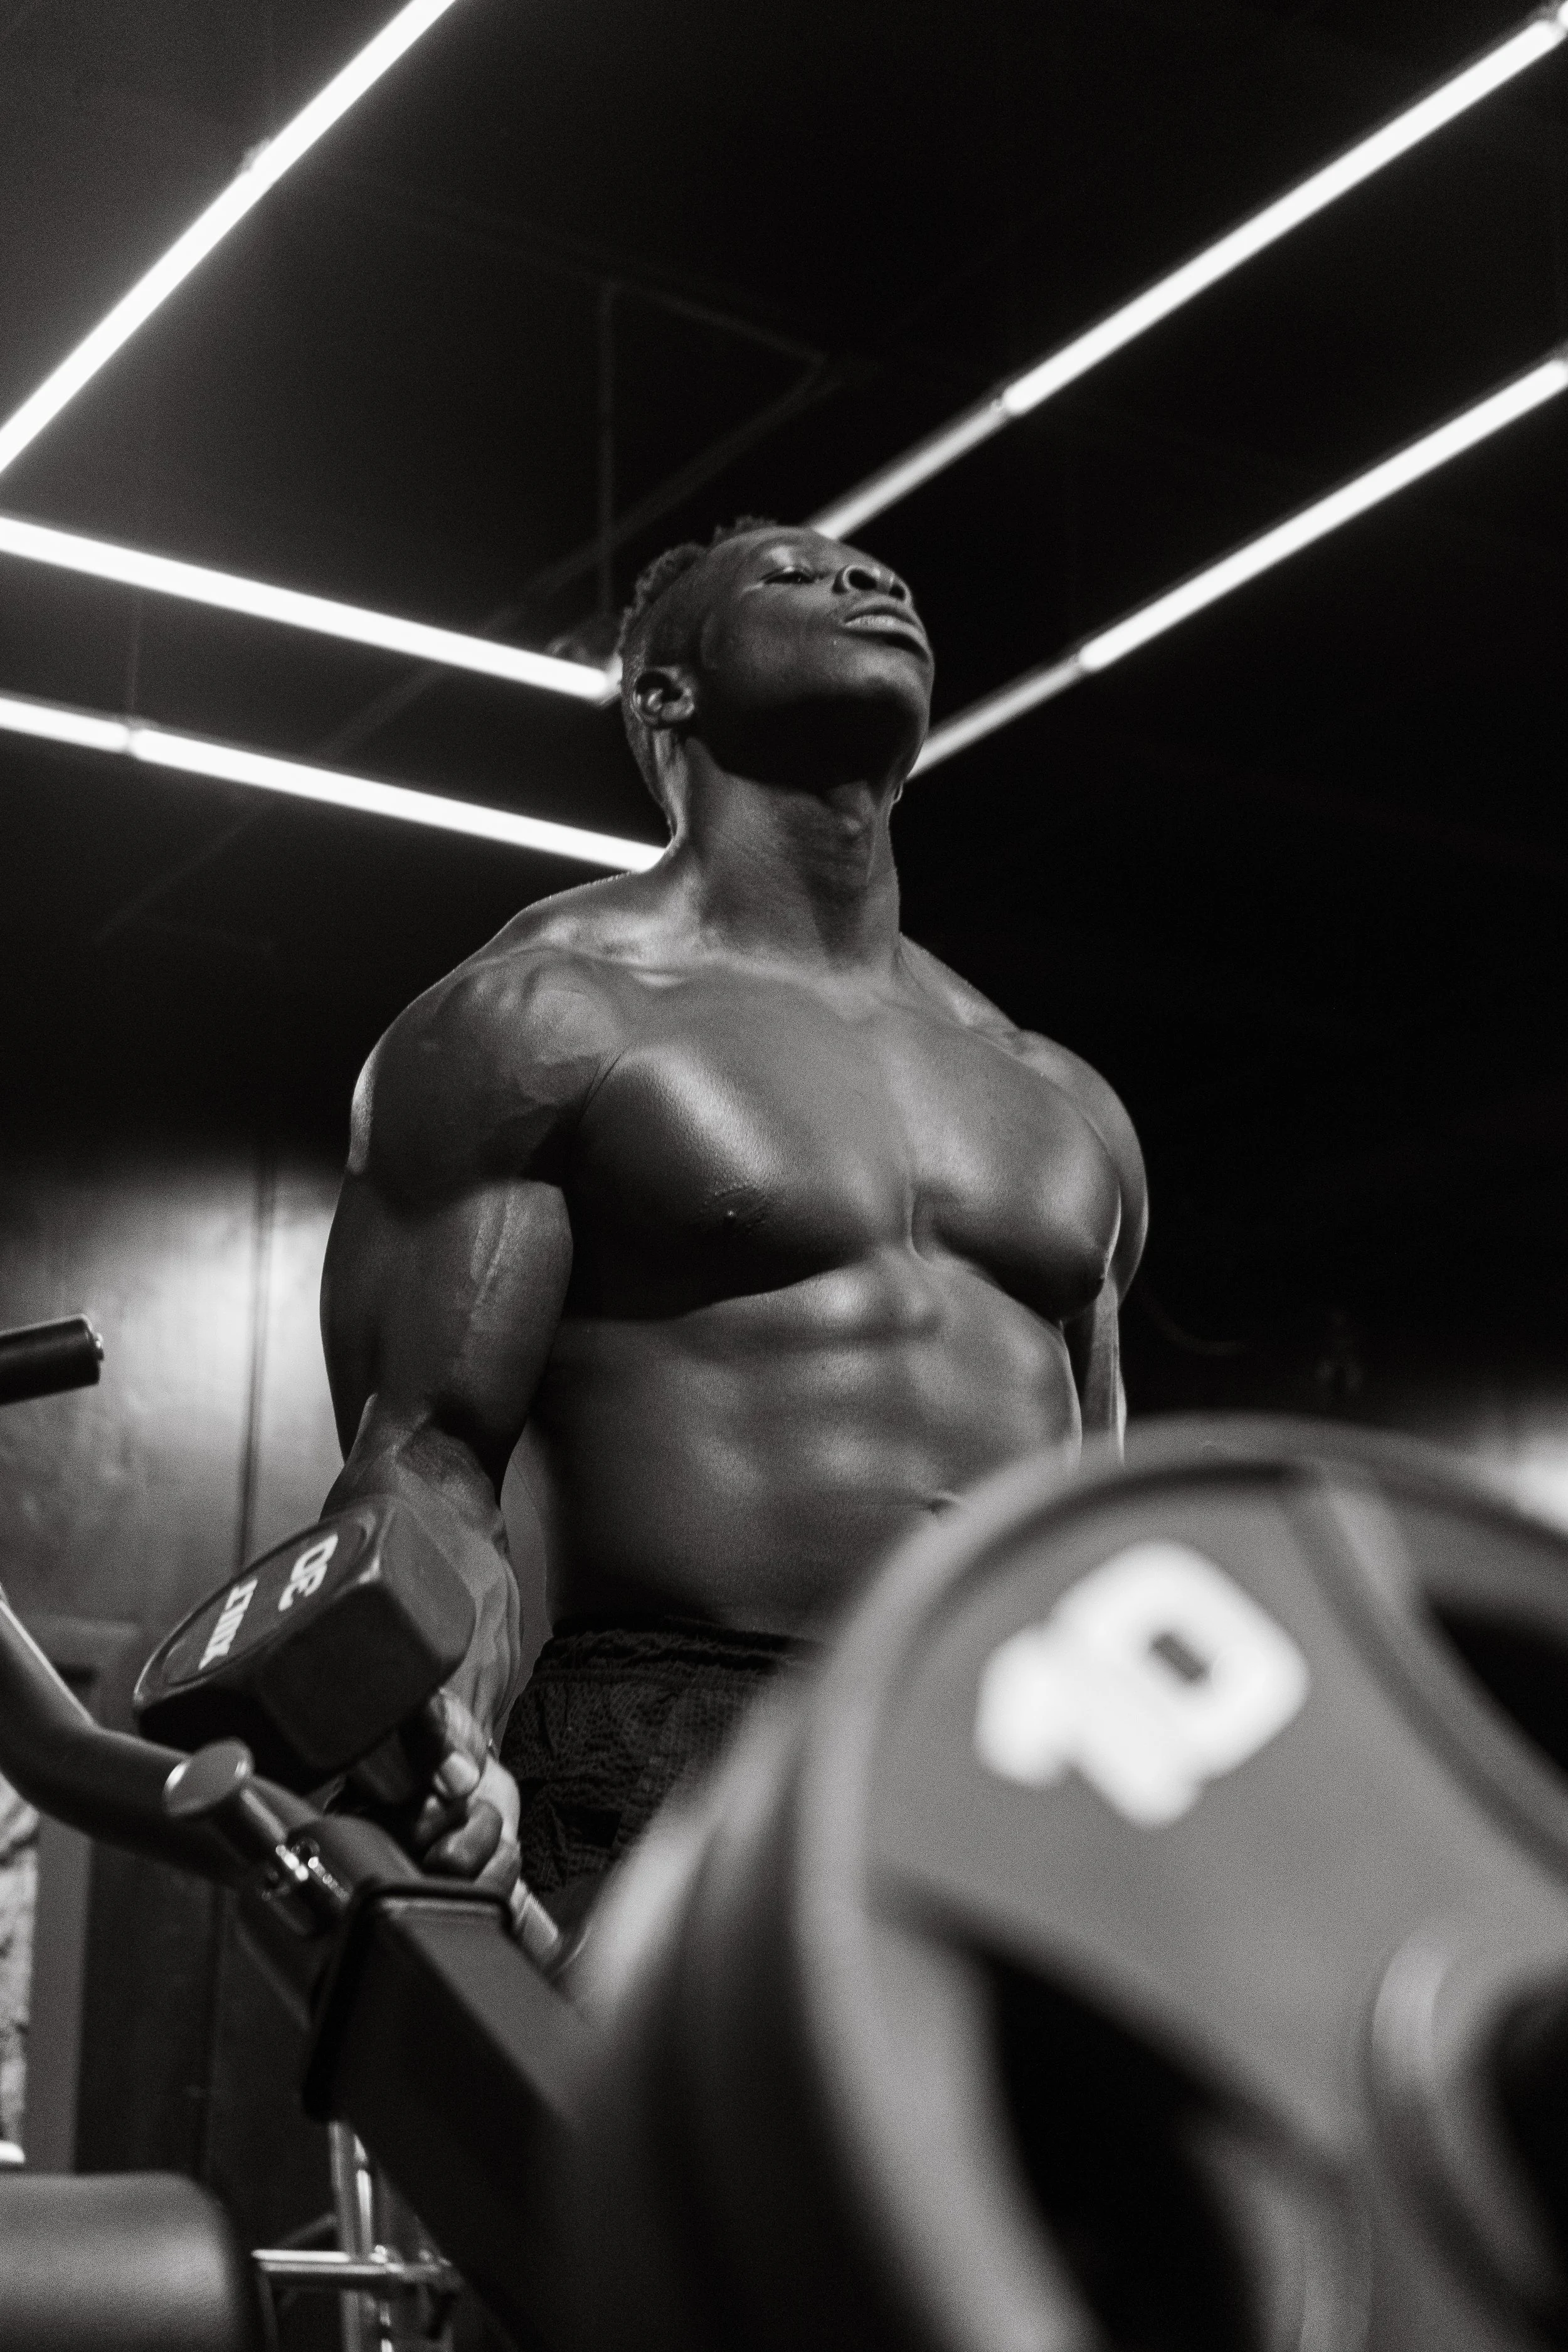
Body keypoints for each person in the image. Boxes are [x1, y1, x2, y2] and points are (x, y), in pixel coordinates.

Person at [320, 518, 1147, 1922]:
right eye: (792, 574)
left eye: (880, 572)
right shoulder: (544, 1017)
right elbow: (427, 1461)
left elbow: (1099, 1519)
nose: (867, 581)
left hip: (1005, 1752)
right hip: (680, 1728)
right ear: (666, 690)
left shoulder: (1059, 1100)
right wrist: (444, 1735)